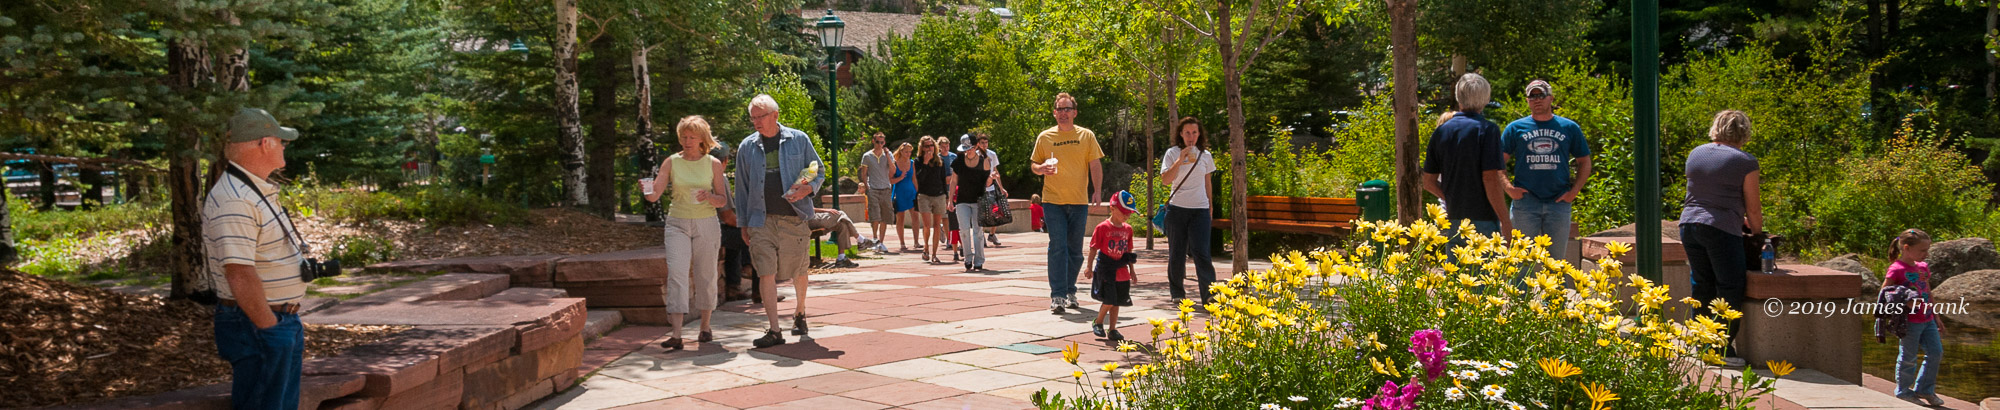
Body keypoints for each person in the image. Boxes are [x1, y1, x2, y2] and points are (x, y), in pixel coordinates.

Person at [204, 108, 309, 410]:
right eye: (281, 140)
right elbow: (239, 272)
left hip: (273, 321)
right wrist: (270, 326)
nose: (285, 146)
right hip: (259, 324)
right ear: (265, 143)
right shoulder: (237, 199)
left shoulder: (250, 190)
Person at [732, 94, 825, 348]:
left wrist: (808, 188)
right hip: (760, 220)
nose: (756, 122)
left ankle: (800, 311)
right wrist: (743, 223)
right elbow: (741, 188)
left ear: (775, 115)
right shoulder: (746, 147)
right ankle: (774, 330)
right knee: (765, 272)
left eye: (761, 116)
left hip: (793, 218)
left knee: (799, 270)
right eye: (753, 117)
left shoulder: (799, 139)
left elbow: (817, 169)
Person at [1678, 109, 1762, 367]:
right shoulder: (1745, 161)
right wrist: (1758, 234)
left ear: (1716, 127)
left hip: (1689, 224)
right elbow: (1753, 206)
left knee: (1702, 284)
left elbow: (1705, 192)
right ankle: (1721, 350)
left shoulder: (1696, 153)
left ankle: (1701, 343)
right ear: (1743, 132)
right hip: (1720, 228)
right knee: (1729, 286)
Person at [643, 116, 732, 351]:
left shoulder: (713, 163)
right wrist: (647, 190)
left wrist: (710, 197)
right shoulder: (671, 162)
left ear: (702, 139)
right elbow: (654, 196)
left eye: (692, 137)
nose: (687, 141)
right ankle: (677, 333)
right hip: (677, 224)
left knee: (706, 275)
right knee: (677, 274)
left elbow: (722, 200)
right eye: (684, 136)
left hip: (706, 224)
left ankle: (705, 326)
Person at [1030, 92, 1106, 314]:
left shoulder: (1087, 136)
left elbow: (1095, 165)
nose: (1063, 113)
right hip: (1052, 201)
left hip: (1079, 202)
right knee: (1057, 247)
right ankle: (1058, 296)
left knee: (1075, 251)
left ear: (1075, 112)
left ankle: (1070, 290)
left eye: (1067, 109)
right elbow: (1034, 164)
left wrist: (1098, 190)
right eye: (1059, 109)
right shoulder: (1045, 137)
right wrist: (1040, 168)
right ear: (1054, 113)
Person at [1502, 80, 1593, 264]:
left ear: (1550, 98)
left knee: (1556, 264)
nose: (1537, 100)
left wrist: (1573, 192)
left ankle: (1555, 294)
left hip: (1558, 203)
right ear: (1527, 100)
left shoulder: (1568, 127)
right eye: (1532, 96)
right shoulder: (1515, 128)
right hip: (1525, 204)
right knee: (1519, 262)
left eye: (1541, 95)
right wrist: (1509, 189)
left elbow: (1585, 162)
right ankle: (1518, 293)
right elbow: (1498, 162)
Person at [1422, 73, 1513, 244]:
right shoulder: (1487, 130)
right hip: (1483, 217)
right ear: (1486, 99)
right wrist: (1505, 220)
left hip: (1453, 217)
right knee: (1483, 270)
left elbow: (1428, 182)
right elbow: (1490, 178)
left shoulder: (1441, 131)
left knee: (1455, 269)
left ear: (1459, 97)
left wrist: (1450, 198)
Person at [1159, 117, 1218, 305]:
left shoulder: (1205, 155)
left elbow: (1207, 182)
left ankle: (1209, 294)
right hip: (1177, 209)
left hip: (1199, 209)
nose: (1190, 136)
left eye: (1194, 132)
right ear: (1181, 134)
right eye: (1187, 133)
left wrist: (1210, 205)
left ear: (1199, 134)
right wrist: (1180, 159)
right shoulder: (1172, 153)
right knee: (1177, 252)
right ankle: (1177, 292)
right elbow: (1165, 180)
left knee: (1202, 252)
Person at [1884, 229, 1946, 406]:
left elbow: (1927, 291)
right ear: (1906, 248)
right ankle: (1903, 390)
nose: (1926, 254)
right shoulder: (1896, 269)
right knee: (1908, 357)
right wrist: (1904, 300)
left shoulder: (1922, 267)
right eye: (1922, 250)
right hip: (1909, 321)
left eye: (1927, 250)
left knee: (1936, 352)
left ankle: (1925, 389)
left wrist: (1936, 316)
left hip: (1927, 319)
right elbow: (1885, 292)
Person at [1086, 191, 1140, 341]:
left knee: (1117, 302)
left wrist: (1132, 271)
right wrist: (1089, 267)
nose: (1127, 216)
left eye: (1129, 213)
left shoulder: (1128, 229)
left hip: (1121, 270)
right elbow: (1093, 248)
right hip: (1106, 268)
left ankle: (1113, 329)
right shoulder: (1102, 227)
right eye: (1124, 212)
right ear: (1112, 209)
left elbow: (1128, 252)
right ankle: (1098, 322)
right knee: (1109, 300)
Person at [953, 135, 1001, 272]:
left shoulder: (984, 160)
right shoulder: (959, 160)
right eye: (965, 149)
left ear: (976, 147)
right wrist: (950, 199)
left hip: (978, 200)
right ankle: (968, 258)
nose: (967, 151)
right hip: (962, 200)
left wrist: (991, 178)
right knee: (963, 230)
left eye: (969, 148)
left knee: (978, 231)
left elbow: (986, 183)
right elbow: (953, 181)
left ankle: (979, 260)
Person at [960, 134, 1006, 247]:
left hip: (991, 187)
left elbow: (995, 171)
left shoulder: (992, 154)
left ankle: (992, 233)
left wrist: (1001, 187)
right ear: (977, 144)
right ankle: (982, 235)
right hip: (979, 188)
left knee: (996, 212)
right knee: (983, 213)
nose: (984, 145)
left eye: (986, 143)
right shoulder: (974, 155)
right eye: (982, 143)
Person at [914, 136, 951, 263]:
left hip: (939, 195)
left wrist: (946, 197)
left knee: (936, 225)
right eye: (926, 146)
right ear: (922, 148)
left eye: (931, 145)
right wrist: (925, 162)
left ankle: (934, 254)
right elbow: (919, 178)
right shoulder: (918, 161)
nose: (929, 148)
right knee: (927, 225)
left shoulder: (939, 160)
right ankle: (926, 247)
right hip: (924, 195)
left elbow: (943, 179)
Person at [857, 132, 896, 254]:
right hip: (873, 188)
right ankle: (874, 239)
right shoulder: (867, 156)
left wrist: (888, 156)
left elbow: (893, 171)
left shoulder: (888, 154)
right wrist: (867, 186)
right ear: (873, 141)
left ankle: (881, 242)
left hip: (885, 188)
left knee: (885, 216)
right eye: (878, 142)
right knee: (875, 216)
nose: (880, 145)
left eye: (882, 142)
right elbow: (864, 173)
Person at [891, 142, 917, 252]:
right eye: (906, 151)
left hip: (911, 191)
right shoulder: (894, 164)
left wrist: (917, 191)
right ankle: (902, 243)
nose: (908, 154)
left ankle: (916, 242)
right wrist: (900, 177)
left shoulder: (912, 163)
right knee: (900, 218)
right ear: (901, 151)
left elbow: (914, 178)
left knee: (915, 216)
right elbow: (890, 180)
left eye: (910, 152)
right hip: (900, 191)